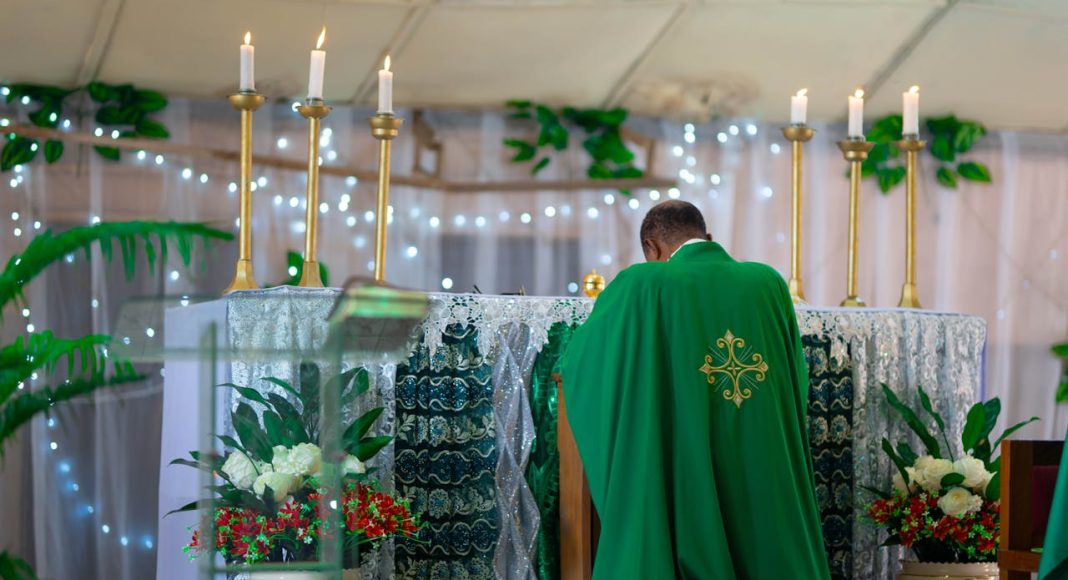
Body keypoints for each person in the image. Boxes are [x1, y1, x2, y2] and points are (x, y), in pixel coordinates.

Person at [560, 200, 829, 579]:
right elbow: (794, 381)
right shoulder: (768, 283)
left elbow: (580, 362)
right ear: (708, 238)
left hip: (686, 449)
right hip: (764, 455)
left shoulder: (644, 283)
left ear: (652, 249)